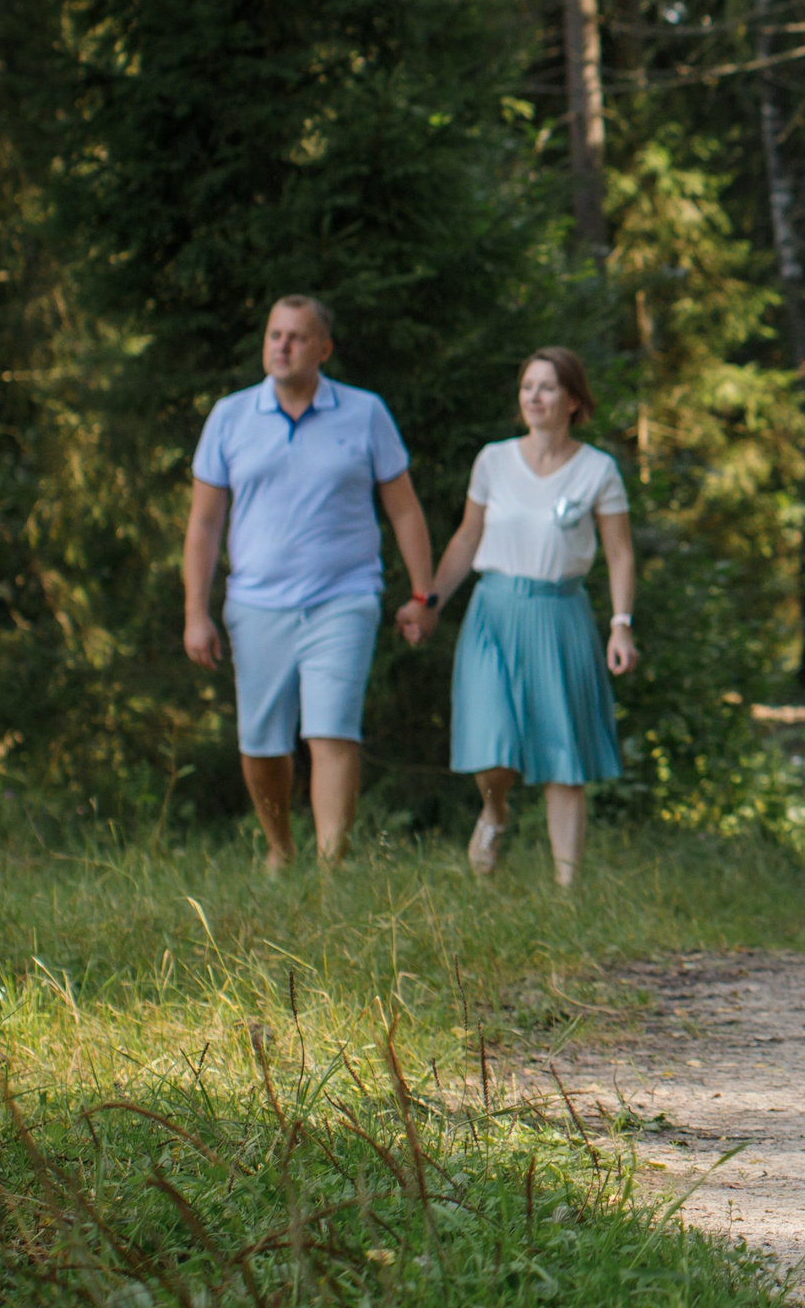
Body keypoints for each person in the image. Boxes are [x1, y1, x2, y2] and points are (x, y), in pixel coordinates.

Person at [183, 296, 437, 869]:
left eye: (297, 337)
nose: (282, 346)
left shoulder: (365, 412)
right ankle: (280, 848)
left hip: (344, 598)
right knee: (262, 744)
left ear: (323, 348)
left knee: (332, 730)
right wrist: (195, 611)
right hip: (256, 602)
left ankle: (330, 868)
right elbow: (203, 523)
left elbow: (403, 510)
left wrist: (423, 595)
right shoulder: (230, 416)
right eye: (275, 334)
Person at [415, 347, 635, 888]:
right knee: (491, 742)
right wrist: (430, 604)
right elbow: (468, 537)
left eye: (547, 387)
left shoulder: (597, 470)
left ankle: (567, 890)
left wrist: (621, 623)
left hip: (560, 615)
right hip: (494, 613)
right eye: (527, 386)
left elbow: (620, 553)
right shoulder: (493, 460)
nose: (533, 397)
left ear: (574, 401)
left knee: (564, 755)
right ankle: (494, 811)